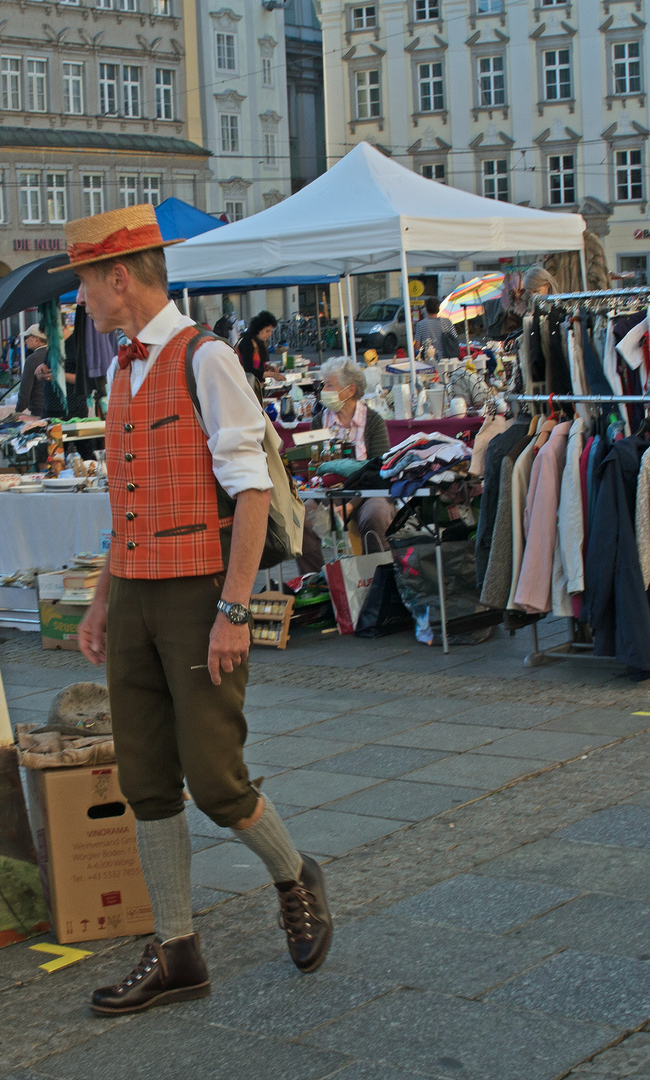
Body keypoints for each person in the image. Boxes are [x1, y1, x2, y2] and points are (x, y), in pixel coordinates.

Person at [67, 204, 332, 1014]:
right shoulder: (119, 368)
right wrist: (101, 600)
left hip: (197, 595)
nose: (80, 300)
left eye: (84, 282)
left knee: (215, 780)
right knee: (146, 778)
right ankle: (177, 949)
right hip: (138, 593)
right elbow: (124, 505)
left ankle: (294, 873)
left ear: (119, 278)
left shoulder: (205, 358)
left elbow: (252, 496)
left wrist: (233, 611)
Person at [296, 359, 393, 574]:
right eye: (324, 385)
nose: (324, 390)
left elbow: (380, 473)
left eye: (329, 385)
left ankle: (379, 580)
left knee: (375, 515)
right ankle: (318, 582)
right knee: (300, 518)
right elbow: (314, 470)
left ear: (350, 390)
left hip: (367, 492)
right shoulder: (319, 422)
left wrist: (351, 505)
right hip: (328, 494)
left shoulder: (374, 421)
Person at [14, 324, 59, 417]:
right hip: (59, 408)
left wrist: (17, 411)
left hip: (39, 411)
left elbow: (25, 391)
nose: (26, 341)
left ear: (36, 339)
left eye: (27, 337)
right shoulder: (57, 355)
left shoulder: (32, 359)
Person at [235, 311, 277, 396]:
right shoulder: (247, 341)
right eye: (267, 331)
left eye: (271, 331)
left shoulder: (260, 343)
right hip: (246, 389)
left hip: (257, 386)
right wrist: (272, 374)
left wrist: (268, 368)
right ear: (259, 329)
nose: (269, 334)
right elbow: (248, 369)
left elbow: (257, 366)